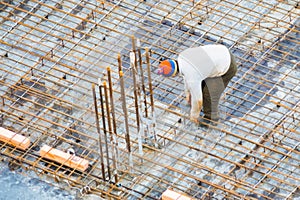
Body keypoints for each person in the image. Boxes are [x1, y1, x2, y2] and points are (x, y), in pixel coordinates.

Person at [157, 44, 237, 127]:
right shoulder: (182, 57)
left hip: (227, 66)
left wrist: (194, 116)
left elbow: (198, 100)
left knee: (208, 94)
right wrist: (188, 94)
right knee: (200, 85)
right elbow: (187, 76)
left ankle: (211, 120)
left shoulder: (192, 75)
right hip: (222, 52)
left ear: (173, 75)